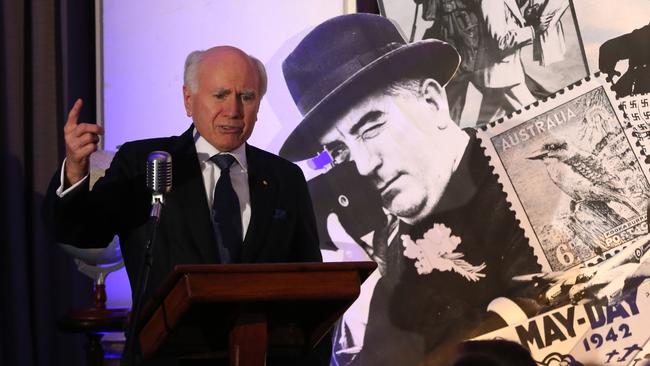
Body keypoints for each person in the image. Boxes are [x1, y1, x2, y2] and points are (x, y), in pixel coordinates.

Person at [279, 14, 542, 366]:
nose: (362, 165)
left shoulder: (530, 178)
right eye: (340, 151)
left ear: (432, 102)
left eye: (370, 127)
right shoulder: (392, 249)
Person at [43, 46, 325, 365]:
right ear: (188, 100)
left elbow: (312, 290)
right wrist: (75, 171)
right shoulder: (145, 163)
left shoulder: (284, 178)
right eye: (220, 95)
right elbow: (82, 233)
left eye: (246, 96)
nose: (233, 110)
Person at [473, 0, 548, 123]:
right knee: (537, 118)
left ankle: (470, 141)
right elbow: (501, 42)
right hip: (503, 76)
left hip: (499, 76)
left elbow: (509, 27)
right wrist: (532, 30)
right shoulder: (492, 2)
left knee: (486, 125)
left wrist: (528, 21)